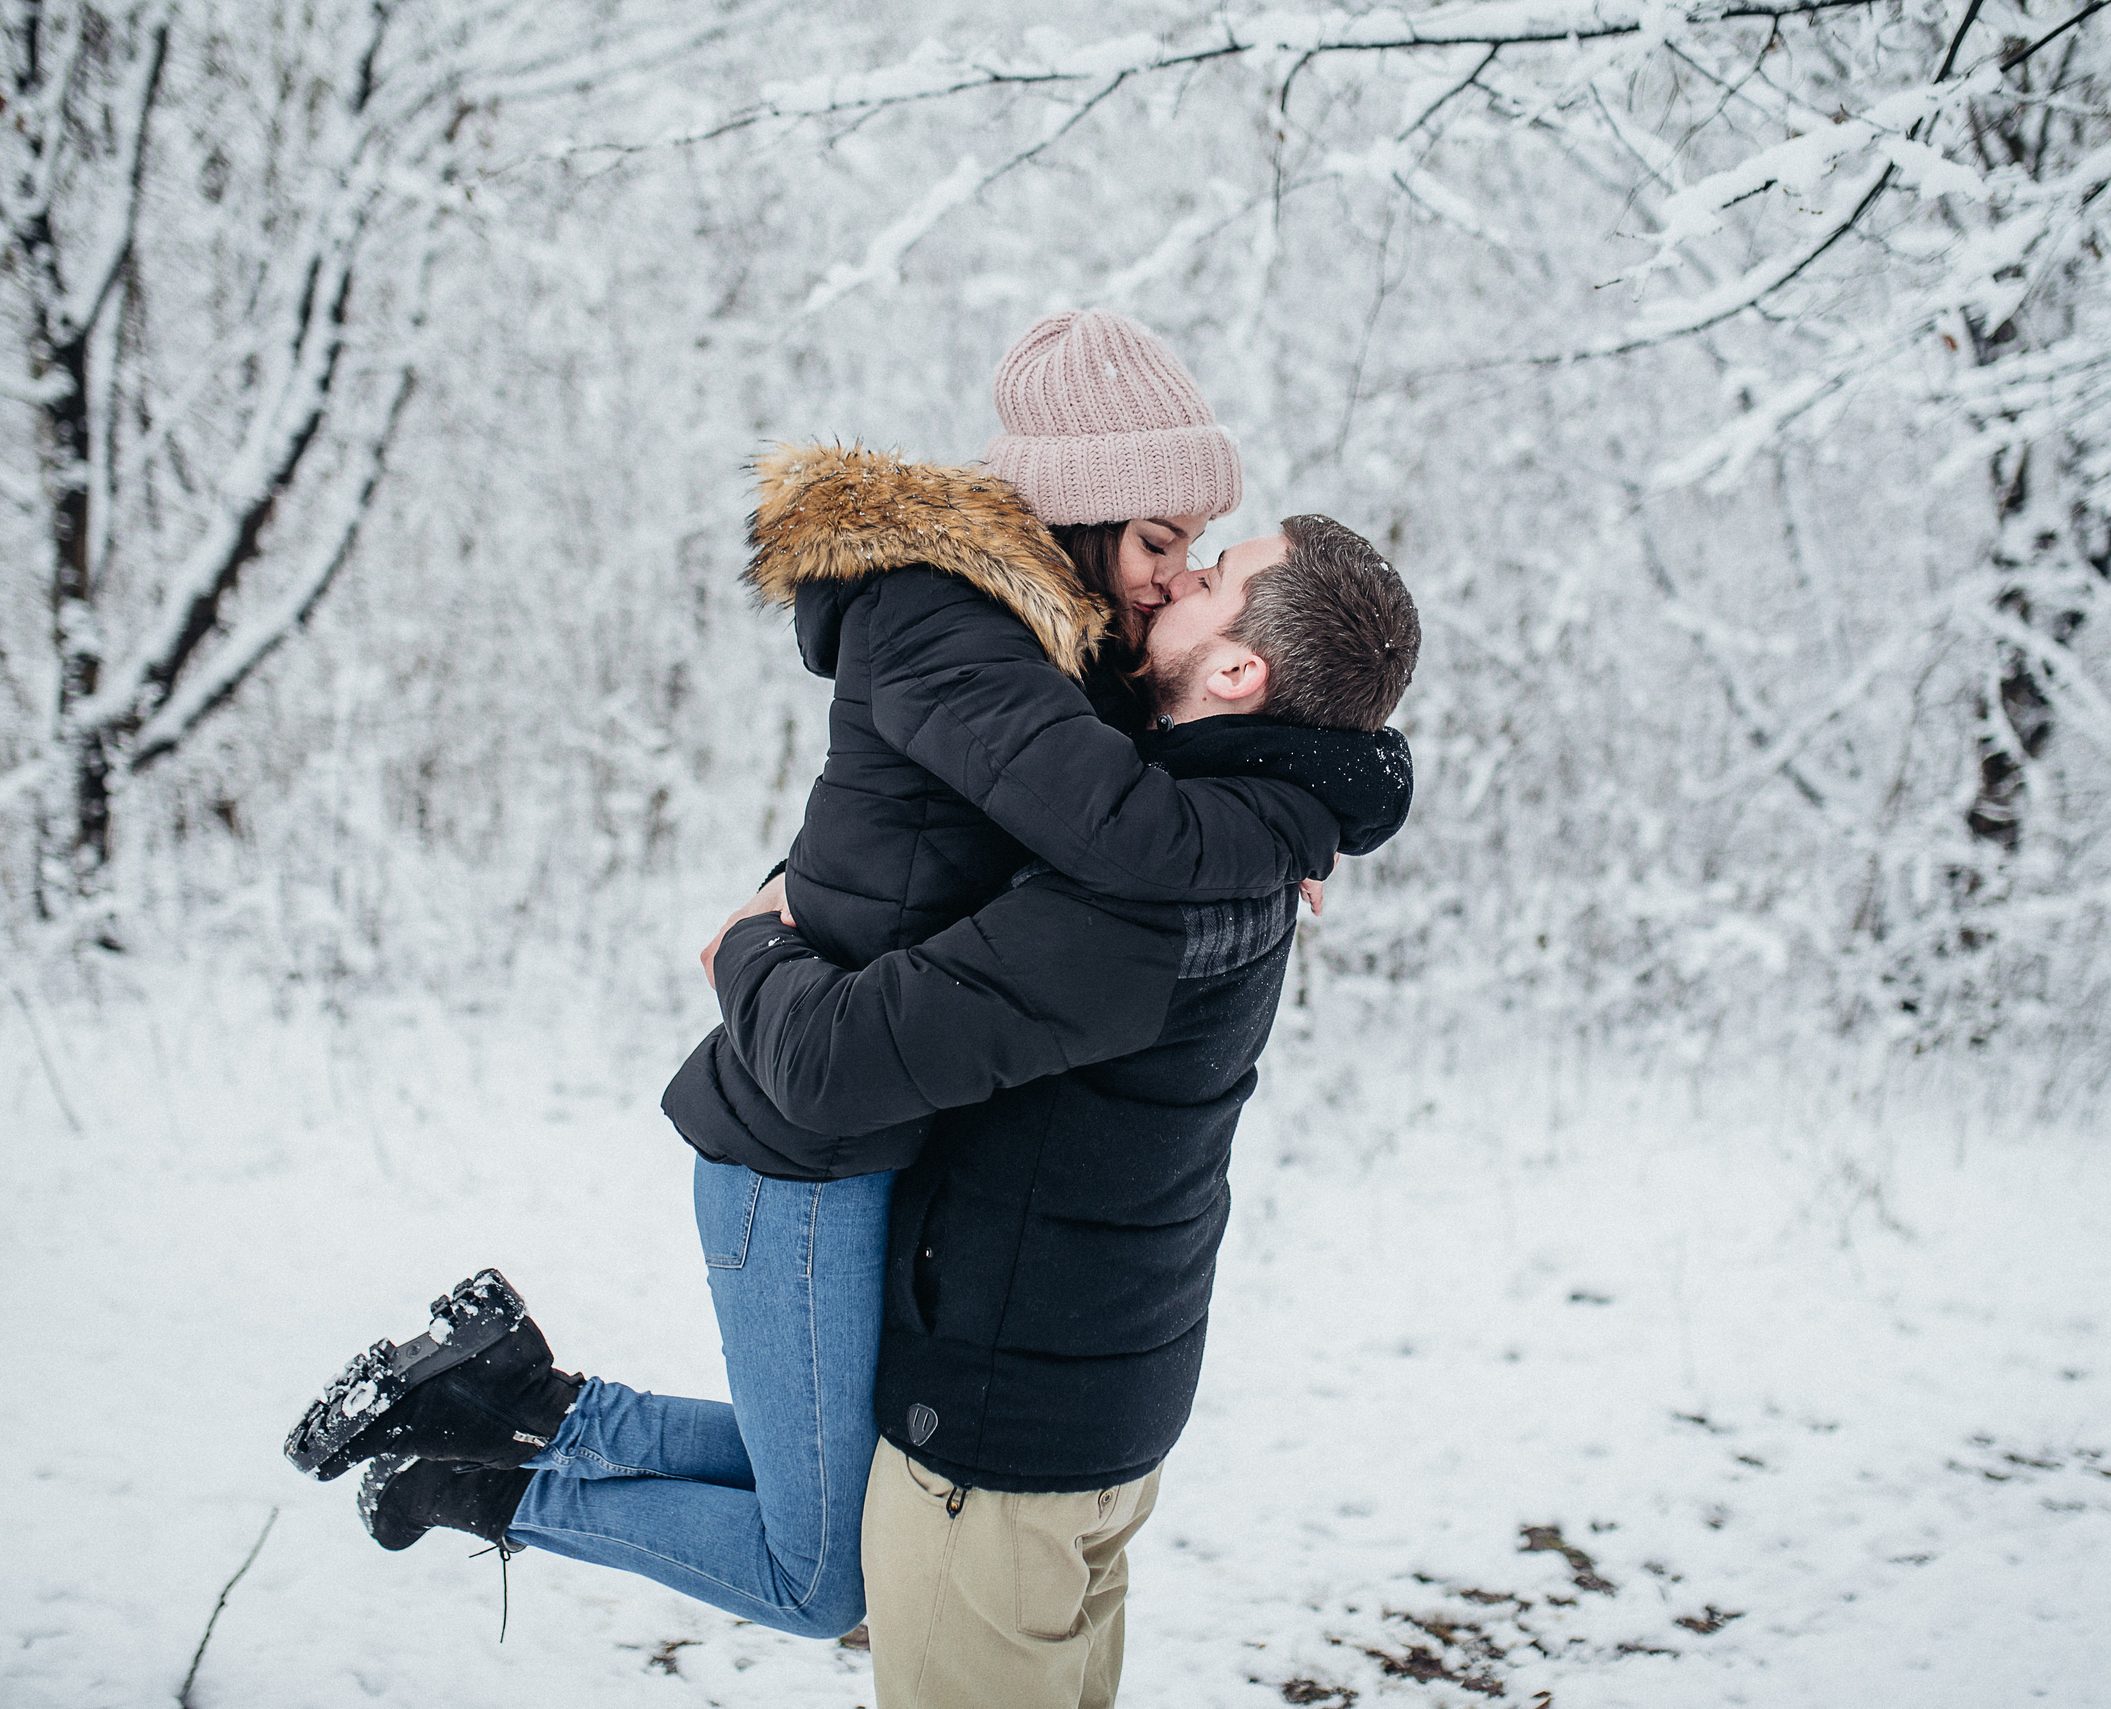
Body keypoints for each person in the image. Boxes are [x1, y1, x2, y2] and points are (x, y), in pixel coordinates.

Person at [281, 313, 1399, 1642]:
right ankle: (489, 1479)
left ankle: (513, 1401)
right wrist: (1291, 820)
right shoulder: (948, 621)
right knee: (828, 1579)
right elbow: (1125, 831)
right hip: (804, 1140)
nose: (1170, 580)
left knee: (847, 1497)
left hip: (881, 1122)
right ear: (1085, 515)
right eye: (1160, 544)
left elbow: (1143, 771)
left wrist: (1315, 774)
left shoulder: (1061, 647)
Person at [708, 513, 1420, 1707]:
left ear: (1239, 672)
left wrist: (745, 947)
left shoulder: (1145, 902)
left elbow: (832, 1063)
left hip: (1001, 1439)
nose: (1183, 575)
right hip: (1097, 1402)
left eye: (1217, 573)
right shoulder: (1240, 828)